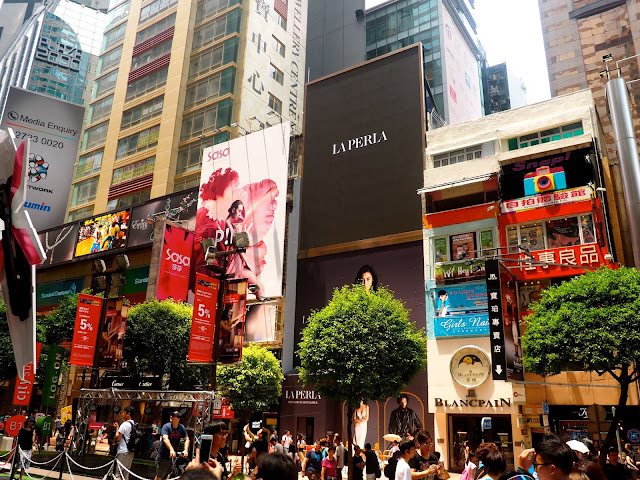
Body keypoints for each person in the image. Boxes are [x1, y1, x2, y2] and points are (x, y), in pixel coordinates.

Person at [154, 411, 189, 480]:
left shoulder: (181, 428)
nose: (171, 417)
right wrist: (171, 449)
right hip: (164, 455)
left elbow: (186, 439)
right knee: (160, 476)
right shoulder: (166, 426)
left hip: (174, 456)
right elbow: (165, 438)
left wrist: (185, 450)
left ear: (178, 419)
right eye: (171, 416)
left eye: (173, 416)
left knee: (171, 474)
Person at [114, 406, 136, 480]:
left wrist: (117, 428)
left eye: (124, 413)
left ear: (128, 414)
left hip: (123, 451)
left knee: (118, 473)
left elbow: (118, 437)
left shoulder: (125, 424)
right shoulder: (133, 424)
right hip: (130, 451)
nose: (123, 414)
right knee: (126, 473)